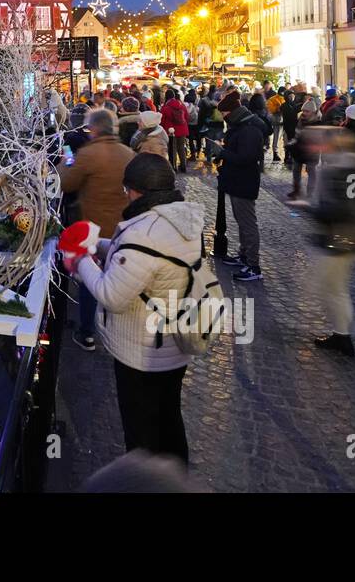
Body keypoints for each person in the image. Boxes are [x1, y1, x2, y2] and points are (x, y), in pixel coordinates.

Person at [60, 153, 204, 463]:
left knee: (140, 431)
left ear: (136, 190)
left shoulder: (145, 232)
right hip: (171, 350)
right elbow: (139, 257)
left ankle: (145, 481)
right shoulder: (175, 220)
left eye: (127, 190)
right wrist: (99, 245)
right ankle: (175, 478)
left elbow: (111, 294)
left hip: (143, 353)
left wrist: (81, 259)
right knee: (168, 420)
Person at [59, 108, 136, 350]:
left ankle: (87, 332)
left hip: (93, 228)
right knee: (119, 277)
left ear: (93, 129)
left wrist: (65, 159)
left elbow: (67, 182)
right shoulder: (128, 153)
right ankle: (120, 329)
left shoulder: (88, 154)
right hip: (122, 227)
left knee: (91, 280)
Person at [304, 124, 355, 357]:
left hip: (340, 236)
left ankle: (343, 335)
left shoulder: (339, 168)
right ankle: (342, 331)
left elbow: (343, 207)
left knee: (331, 288)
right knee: (334, 288)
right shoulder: (351, 166)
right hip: (345, 234)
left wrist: (310, 210)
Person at [214, 90, 265, 281]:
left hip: (244, 180)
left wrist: (224, 152)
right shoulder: (241, 127)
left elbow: (246, 157)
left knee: (247, 223)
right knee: (242, 221)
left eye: (225, 114)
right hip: (237, 179)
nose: (224, 118)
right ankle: (244, 256)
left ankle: (253, 265)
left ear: (232, 113)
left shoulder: (248, 129)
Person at [287, 98, 321, 202]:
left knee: (312, 171)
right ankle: (296, 190)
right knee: (296, 170)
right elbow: (297, 134)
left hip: (312, 151)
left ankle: (310, 193)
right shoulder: (300, 120)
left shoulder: (318, 122)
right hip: (299, 150)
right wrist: (292, 142)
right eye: (304, 111)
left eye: (307, 111)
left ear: (313, 112)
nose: (304, 113)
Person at [160, 88, 190, 172]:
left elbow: (161, 120)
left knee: (172, 149)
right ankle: (183, 166)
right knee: (181, 148)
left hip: (171, 131)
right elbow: (187, 117)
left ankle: (174, 167)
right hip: (182, 130)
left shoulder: (165, 107)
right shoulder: (182, 105)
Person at [265, 87, 286, 161]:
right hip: (278, 120)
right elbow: (271, 109)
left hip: (285, 120)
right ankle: (275, 153)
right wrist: (278, 108)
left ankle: (286, 153)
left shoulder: (284, 98)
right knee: (277, 137)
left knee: (285, 138)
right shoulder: (273, 99)